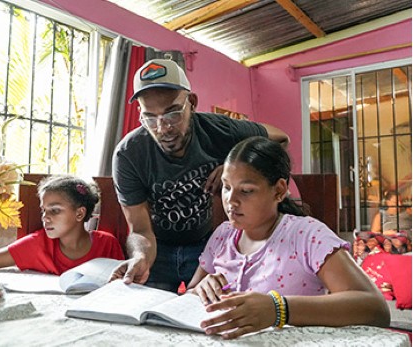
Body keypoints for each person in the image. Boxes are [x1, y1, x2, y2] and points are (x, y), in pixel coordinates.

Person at [110, 58, 290, 292]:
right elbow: (140, 230)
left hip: (209, 245)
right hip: (157, 249)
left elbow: (281, 138)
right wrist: (139, 258)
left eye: (172, 113)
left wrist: (232, 165)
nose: (162, 128)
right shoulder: (128, 154)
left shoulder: (220, 130)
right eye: (150, 118)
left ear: (192, 103)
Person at [186, 137, 389, 339]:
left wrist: (278, 309)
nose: (231, 200)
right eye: (226, 187)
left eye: (246, 191)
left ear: (279, 190)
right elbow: (190, 292)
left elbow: (375, 308)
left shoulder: (307, 236)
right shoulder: (223, 235)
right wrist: (201, 289)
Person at [0, 175, 124, 275]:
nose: (45, 217)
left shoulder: (107, 244)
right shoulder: (37, 244)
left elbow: (122, 282)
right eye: (43, 211)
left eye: (55, 210)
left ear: (80, 213)